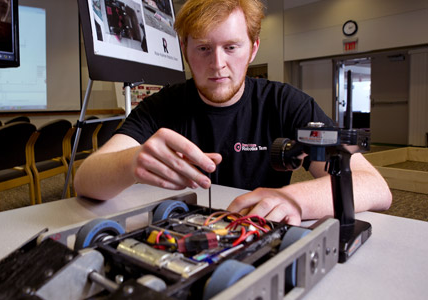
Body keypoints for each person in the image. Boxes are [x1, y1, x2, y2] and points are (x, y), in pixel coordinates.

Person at [74, 0, 392, 225]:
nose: (217, 64)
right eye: (202, 48)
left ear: (253, 48)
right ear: (185, 49)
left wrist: (296, 199)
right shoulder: (161, 106)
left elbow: (373, 186)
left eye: (231, 47)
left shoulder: (287, 104)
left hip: (257, 235)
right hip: (182, 237)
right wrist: (131, 162)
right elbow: (85, 181)